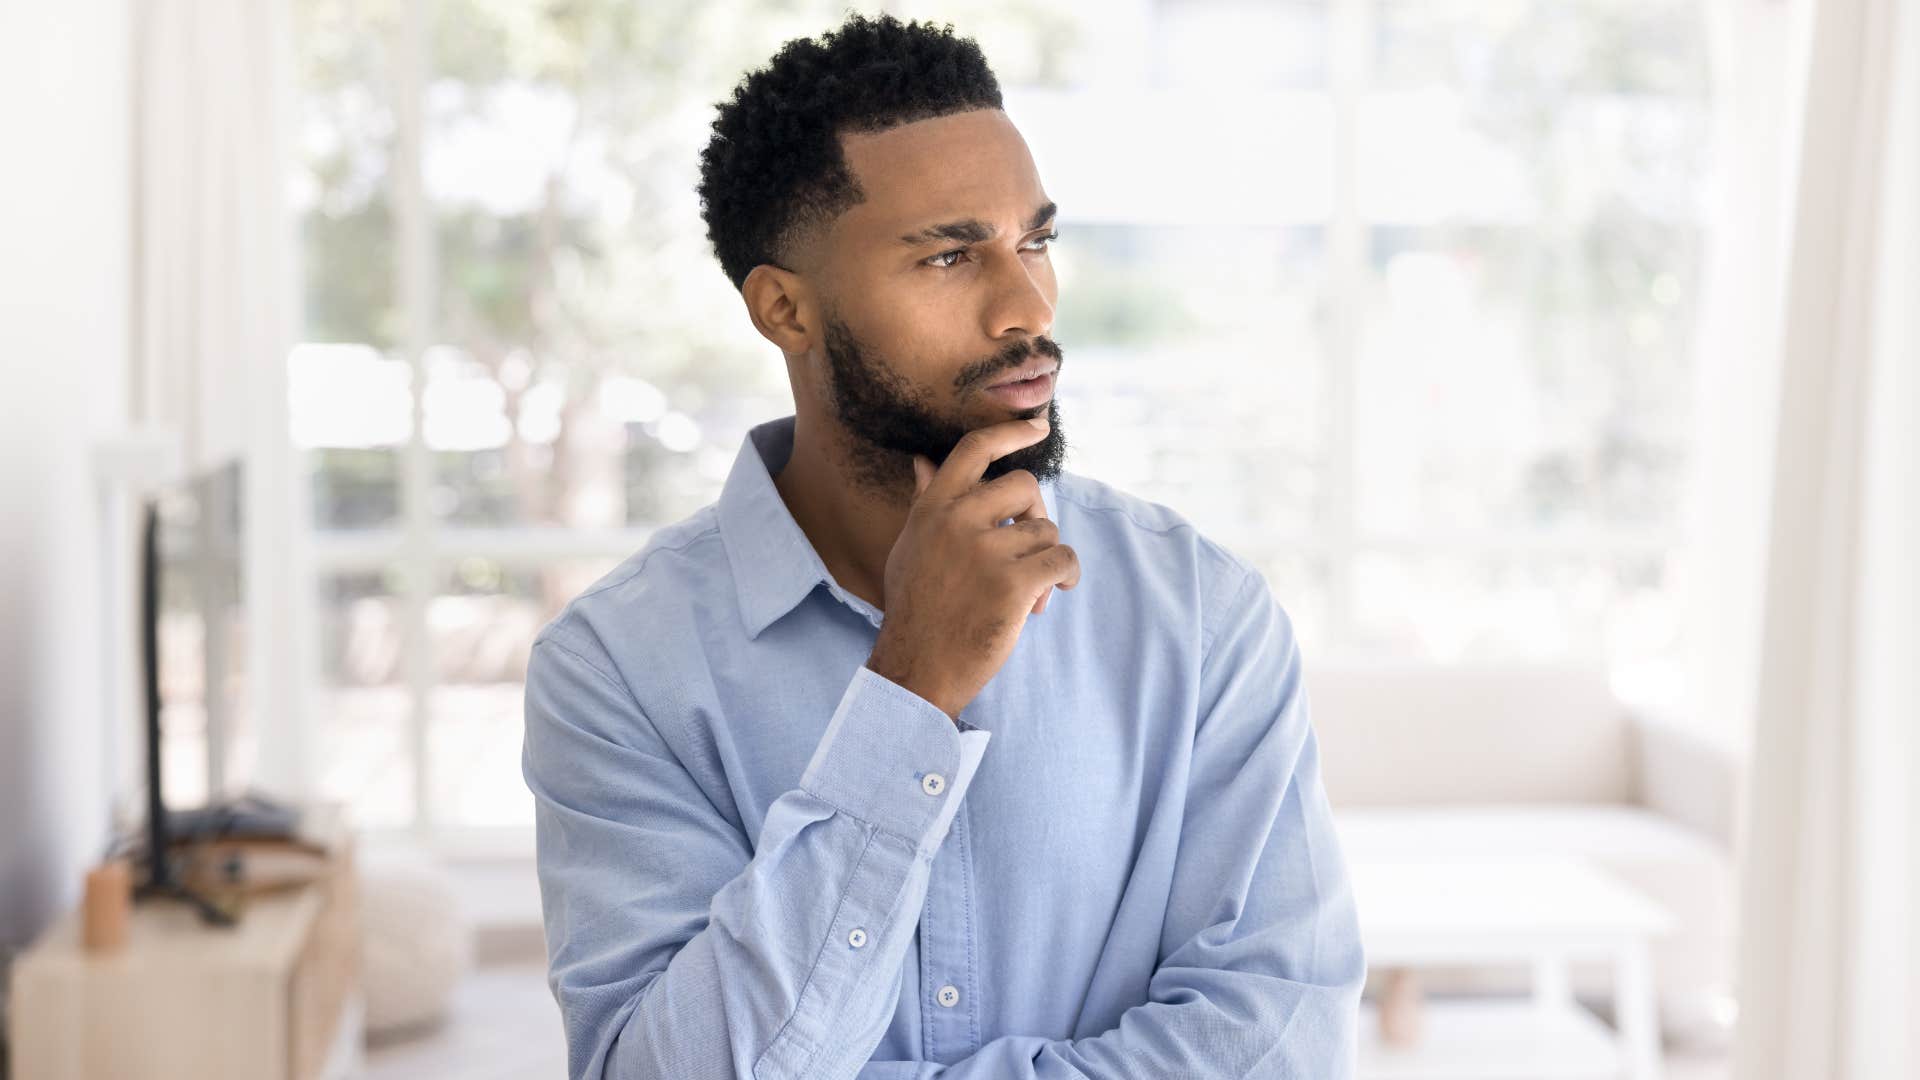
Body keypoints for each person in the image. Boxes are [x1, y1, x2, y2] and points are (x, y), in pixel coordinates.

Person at [523, 12, 1367, 1079]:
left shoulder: (1200, 614)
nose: (1029, 305)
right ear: (786, 309)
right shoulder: (615, 672)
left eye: (1037, 242)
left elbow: (1279, 1041)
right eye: (951, 254)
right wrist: (909, 696)